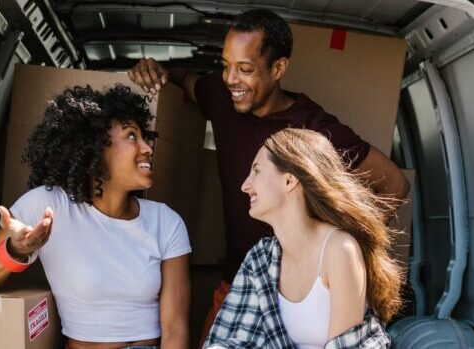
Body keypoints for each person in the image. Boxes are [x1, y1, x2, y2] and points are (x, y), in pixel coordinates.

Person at [127, 8, 410, 339]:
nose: (231, 79)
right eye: (225, 65)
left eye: (245, 69)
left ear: (279, 68)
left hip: (300, 289)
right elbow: (184, 80)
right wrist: (154, 69)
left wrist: (333, 244)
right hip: (237, 280)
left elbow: (394, 182)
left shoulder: (313, 129)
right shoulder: (220, 96)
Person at [0, 85, 191, 349]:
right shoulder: (49, 206)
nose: (148, 148)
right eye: (131, 136)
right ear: (95, 148)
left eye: (145, 137)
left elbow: (175, 330)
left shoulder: (166, 222)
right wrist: (16, 251)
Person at [204, 128, 403, 348]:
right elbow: (232, 338)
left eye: (257, 171)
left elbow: (348, 347)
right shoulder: (262, 257)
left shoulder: (338, 249)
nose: (245, 185)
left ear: (289, 181)